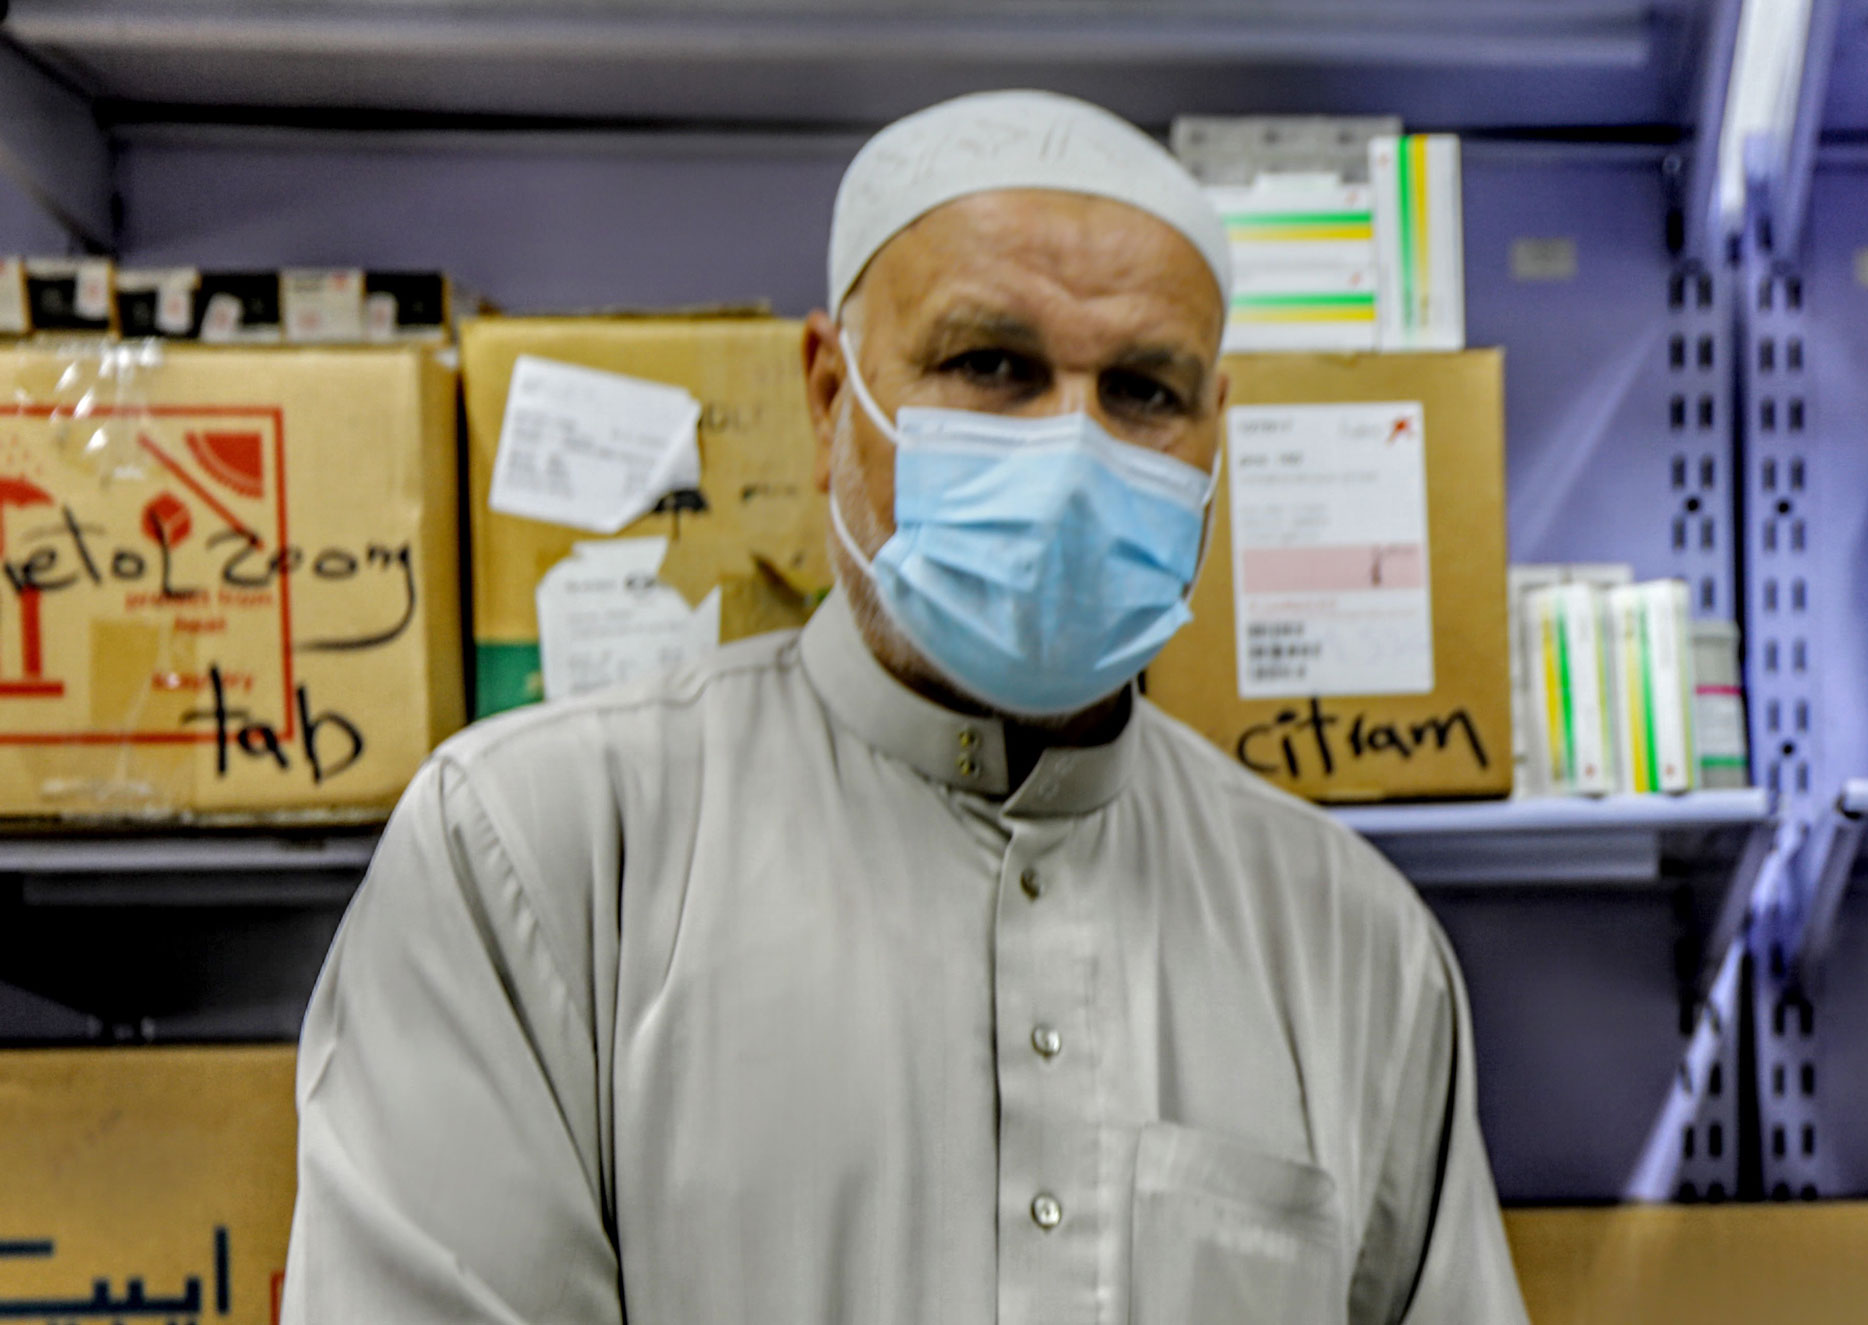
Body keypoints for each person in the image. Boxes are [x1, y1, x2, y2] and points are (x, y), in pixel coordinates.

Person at [281, 89, 1529, 1324]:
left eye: (1144, 390)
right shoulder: (532, 854)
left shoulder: (1353, 943)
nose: (1073, 453)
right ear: (829, 393)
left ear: (1215, 434)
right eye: (991, 365)